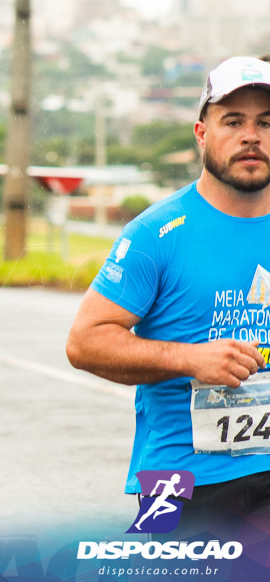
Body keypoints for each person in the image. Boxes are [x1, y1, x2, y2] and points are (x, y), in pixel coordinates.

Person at [66, 56, 270, 535]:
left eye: (266, 122)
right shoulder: (157, 232)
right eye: (233, 121)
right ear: (202, 134)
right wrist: (190, 359)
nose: (251, 136)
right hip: (177, 478)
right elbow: (84, 342)